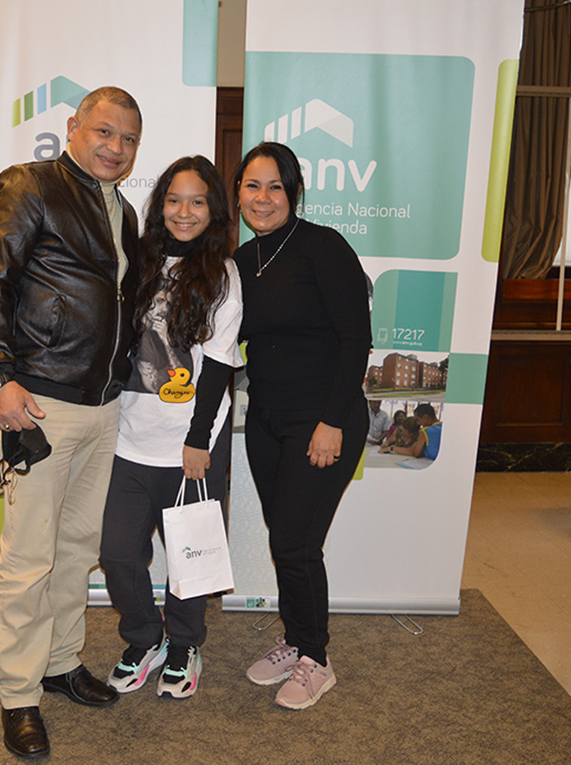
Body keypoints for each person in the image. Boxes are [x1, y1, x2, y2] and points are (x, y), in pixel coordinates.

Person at [0, 86, 143, 760]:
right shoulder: (28, 185)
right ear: (73, 127)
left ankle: (62, 661)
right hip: (36, 401)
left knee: (75, 547)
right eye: (104, 132)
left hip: (103, 406)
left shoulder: (124, 213)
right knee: (28, 556)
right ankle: (18, 694)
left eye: (128, 139)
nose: (115, 147)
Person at [232, 142, 372, 710]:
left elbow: (355, 340)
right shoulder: (244, 260)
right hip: (266, 420)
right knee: (289, 539)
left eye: (274, 187)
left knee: (294, 540)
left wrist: (331, 421)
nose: (262, 199)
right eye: (251, 186)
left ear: (294, 193)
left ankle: (316, 656)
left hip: (323, 421)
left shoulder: (323, 248)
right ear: (238, 193)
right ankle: (294, 639)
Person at [98, 156, 243, 701]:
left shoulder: (222, 276)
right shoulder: (138, 264)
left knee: (189, 554)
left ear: (214, 211)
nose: (184, 212)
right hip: (128, 436)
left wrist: (198, 440)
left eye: (198, 201)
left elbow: (222, 365)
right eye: (174, 200)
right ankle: (144, 638)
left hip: (190, 440)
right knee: (116, 552)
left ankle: (183, 643)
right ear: (160, 206)